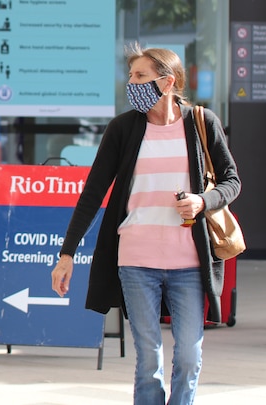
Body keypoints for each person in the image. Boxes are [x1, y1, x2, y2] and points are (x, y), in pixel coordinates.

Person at [51, 45, 241, 405]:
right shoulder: (123, 128)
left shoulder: (201, 122)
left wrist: (203, 201)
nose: (132, 83)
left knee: (188, 356)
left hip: (189, 262)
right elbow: (92, 194)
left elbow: (231, 180)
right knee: (149, 358)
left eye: (140, 76)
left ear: (167, 82)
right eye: (131, 76)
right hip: (136, 261)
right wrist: (67, 253)